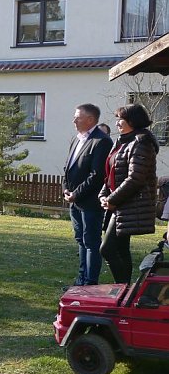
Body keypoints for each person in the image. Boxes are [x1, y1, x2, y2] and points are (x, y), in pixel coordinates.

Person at [99, 103, 159, 285]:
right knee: (120, 248)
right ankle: (125, 289)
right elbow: (111, 173)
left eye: (121, 119)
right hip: (118, 203)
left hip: (129, 204)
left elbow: (135, 178)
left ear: (132, 121)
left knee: (107, 249)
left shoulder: (141, 143)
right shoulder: (123, 141)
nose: (117, 123)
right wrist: (103, 194)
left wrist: (112, 199)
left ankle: (123, 287)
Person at [62, 104, 112, 287]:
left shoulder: (102, 141)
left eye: (78, 117)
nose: (74, 120)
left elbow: (97, 175)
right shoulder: (76, 139)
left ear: (90, 119)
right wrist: (66, 189)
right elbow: (68, 168)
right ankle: (80, 280)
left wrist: (76, 194)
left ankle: (90, 283)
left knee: (91, 242)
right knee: (81, 241)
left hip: (90, 203)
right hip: (74, 202)